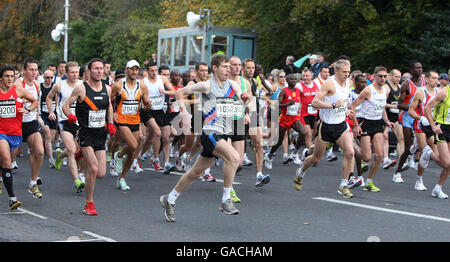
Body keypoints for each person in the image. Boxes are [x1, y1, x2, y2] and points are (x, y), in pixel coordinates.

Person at [160, 54, 250, 222]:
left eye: (229, 67)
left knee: (195, 172)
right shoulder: (207, 85)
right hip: (209, 132)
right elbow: (180, 92)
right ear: (215, 68)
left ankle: (169, 199)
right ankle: (225, 199)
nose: (228, 70)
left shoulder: (232, 84)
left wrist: (245, 98)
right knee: (234, 158)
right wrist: (184, 112)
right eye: (225, 67)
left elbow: (242, 96)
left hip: (223, 132)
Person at [294, 59, 355, 198]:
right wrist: (333, 105)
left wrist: (345, 110)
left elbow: (344, 101)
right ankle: (301, 172)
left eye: (348, 72)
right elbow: (315, 102)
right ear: (336, 71)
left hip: (341, 125)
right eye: (344, 72)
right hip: (326, 126)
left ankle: (343, 185)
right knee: (316, 158)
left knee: (350, 152)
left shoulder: (348, 83)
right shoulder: (329, 83)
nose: (347, 74)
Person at [63, 58, 116, 215]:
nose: (100, 71)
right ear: (89, 71)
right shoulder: (81, 89)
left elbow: (109, 106)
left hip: (100, 133)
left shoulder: (107, 89)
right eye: (96, 69)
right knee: (92, 168)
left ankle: (80, 154)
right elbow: (65, 106)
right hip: (86, 133)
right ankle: (89, 204)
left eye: (101, 68)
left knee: (101, 174)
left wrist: (111, 123)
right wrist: (70, 116)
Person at [0, 65, 39, 209]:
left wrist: (28, 108)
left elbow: (34, 101)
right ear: (1, 78)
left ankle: (1, 176)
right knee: (6, 161)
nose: (10, 79)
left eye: (12, 76)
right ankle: (12, 197)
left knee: (7, 162)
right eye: (6, 76)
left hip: (15, 132)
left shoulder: (18, 90)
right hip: (1, 132)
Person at [351, 66, 394, 192]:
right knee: (367, 157)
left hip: (378, 123)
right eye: (380, 76)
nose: (383, 78)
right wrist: (356, 125)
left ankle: (369, 182)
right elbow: (352, 106)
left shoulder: (385, 90)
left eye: (385, 76)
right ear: (375, 77)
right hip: (366, 123)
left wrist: (386, 121)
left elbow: (382, 108)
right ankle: (352, 144)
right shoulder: (368, 90)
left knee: (379, 155)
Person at [111, 60, 150, 191]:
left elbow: (145, 103)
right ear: (126, 69)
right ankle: (119, 155)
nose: (134, 72)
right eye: (132, 69)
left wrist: (148, 103)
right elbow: (109, 101)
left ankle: (121, 178)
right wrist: (114, 112)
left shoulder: (142, 86)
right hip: (122, 120)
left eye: (136, 69)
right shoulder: (118, 85)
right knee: (133, 145)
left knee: (133, 152)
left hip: (135, 120)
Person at [47, 61, 85, 192]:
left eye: (76, 72)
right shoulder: (59, 85)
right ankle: (77, 180)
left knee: (78, 149)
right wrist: (51, 111)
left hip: (78, 122)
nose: (75, 75)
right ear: (66, 73)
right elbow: (49, 97)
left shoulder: (82, 85)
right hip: (64, 121)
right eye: (72, 72)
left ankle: (60, 156)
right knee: (71, 150)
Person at [14, 58, 45, 198]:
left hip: (31, 122)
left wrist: (32, 108)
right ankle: (2, 178)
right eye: (31, 69)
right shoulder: (17, 83)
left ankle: (33, 183)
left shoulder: (37, 84)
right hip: (16, 123)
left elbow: (36, 101)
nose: (34, 72)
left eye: (36, 69)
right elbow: (12, 99)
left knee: (39, 151)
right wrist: (25, 101)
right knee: (8, 158)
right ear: (24, 70)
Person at [139, 62, 175, 173]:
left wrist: (164, 91)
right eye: (151, 70)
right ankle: (155, 158)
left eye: (155, 70)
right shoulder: (143, 83)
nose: (154, 73)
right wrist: (145, 102)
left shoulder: (162, 79)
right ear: (147, 71)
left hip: (161, 111)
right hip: (148, 111)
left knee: (164, 137)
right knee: (157, 133)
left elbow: (174, 91)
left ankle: (166, 163)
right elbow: (138, 97)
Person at [265, 74, 306, 169]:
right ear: (287, 80)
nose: (293, 80)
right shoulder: (284, 91)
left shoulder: (298, 91)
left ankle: (295, 153)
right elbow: (277, 104)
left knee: (303, 132)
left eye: (295, 79)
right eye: (291, 79)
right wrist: (287, 104)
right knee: (279, 141)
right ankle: (270, 155)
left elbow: (305, 100)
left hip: (294, 117)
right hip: (284, 118)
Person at [393, 61, 425, 183]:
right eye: (417, 68)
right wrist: (412, 108)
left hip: (419, 116)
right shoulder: (406, 84)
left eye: (421, 68)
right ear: (411, 70)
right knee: (407, 148)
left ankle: (413, 154)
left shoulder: (424, 83)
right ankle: (397, 172)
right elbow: (400, 104)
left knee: (424, 144)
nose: (420, 70)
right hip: (407, 116)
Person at [408, 71, 440, 191]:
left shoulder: (439, 92)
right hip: (421, 124)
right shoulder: (420, 92)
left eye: (437, 78)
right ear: (426, 79)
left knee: (433, 153)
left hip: (432, 125)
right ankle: (419, 180)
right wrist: (421, 117)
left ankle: (414, 146)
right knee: (425, 151)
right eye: (433, 78)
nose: (436, 81)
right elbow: (411, 111)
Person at [422, 76, 450, 199]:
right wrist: (433, 126)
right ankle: (429, 152)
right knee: (446, 162)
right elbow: (427, 107)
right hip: (442, 128)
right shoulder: (444, 92)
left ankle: (438, 188)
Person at [383, 69, 403, 169]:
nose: (398, 79)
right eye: (396, 76)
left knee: (401, 137)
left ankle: (401, 161)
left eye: (399, 77)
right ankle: (386, 159)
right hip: (384, 115)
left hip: (395, 116)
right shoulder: (386, 88)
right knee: (385, 137)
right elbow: (382, 103)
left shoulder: (400, 87)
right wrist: (392, 106)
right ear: (390, 76)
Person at [39, 69, 58, 168]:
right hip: (44, 114)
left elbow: (57, 101)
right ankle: (51, 159)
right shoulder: (40, 87)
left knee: (51, 137)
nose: (49, 79)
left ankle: (45, 143)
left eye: (51, 77)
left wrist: (57, 113)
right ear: (43, 78)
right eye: (47, 78)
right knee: (47, 134)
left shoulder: (55, 87)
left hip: (53, 114)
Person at [297, 68, 319, 149]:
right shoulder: (299, 85)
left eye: (307, 76)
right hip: (303, 113)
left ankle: (307, 152)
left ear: (312, 76)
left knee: (313, 133)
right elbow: (295, 97)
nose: (305, 78)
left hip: (314, 113)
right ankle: (310, 153)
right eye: (303, 76)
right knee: (308, 133)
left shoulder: (316, 84)